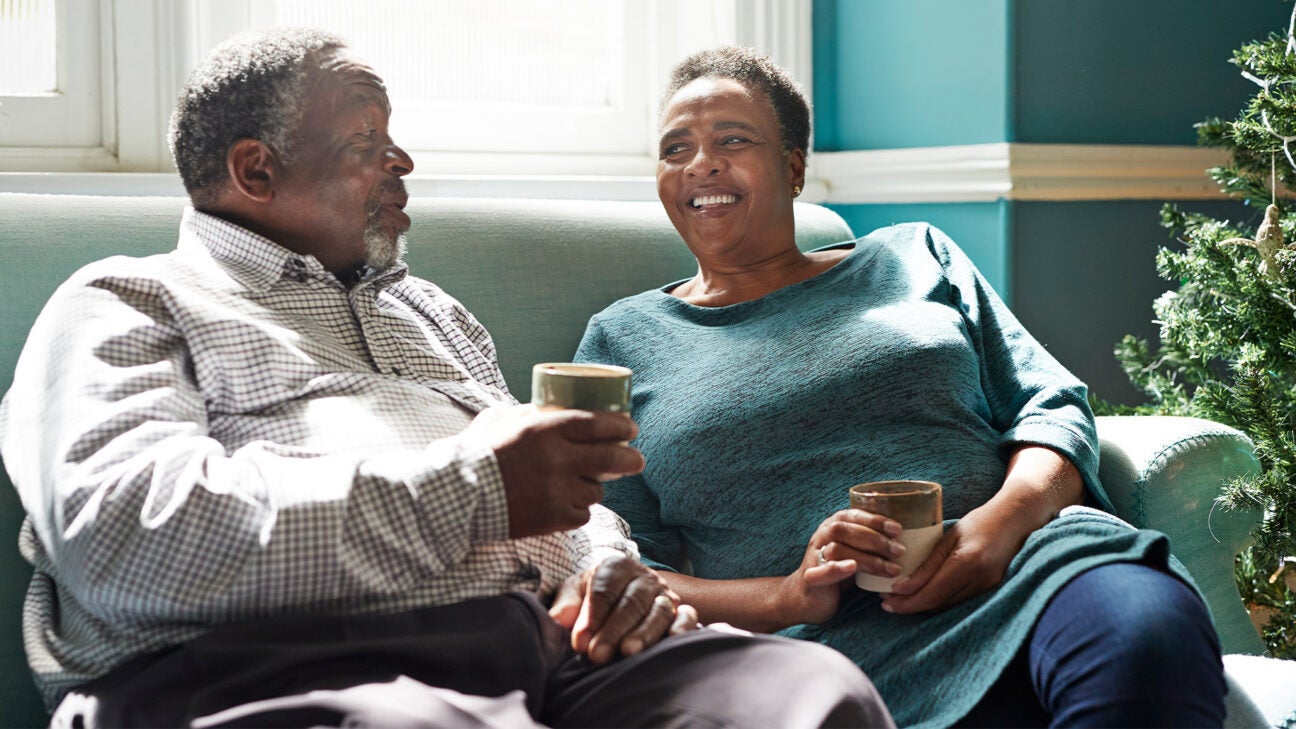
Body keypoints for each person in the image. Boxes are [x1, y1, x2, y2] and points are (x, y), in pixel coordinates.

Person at [0, 29, 895, 729]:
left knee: (808, 693)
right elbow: (122, 536)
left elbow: (560, 505)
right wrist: (473, 489)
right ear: (255, 170)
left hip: (548, 650)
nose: (403, 164)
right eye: (369, 143)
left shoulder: (426, 311)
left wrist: (612, 568)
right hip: (271, 667)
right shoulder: (127, 302)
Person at [575, 46, 1228, 728]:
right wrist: (789, 594)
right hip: (825, 651)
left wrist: (996, 531)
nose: (701, 163)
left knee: (1147, 636)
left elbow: (1051, 405)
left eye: (732, 140)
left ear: (793, 166)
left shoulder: (915, 256)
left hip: (1028, 570)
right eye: (676, 147)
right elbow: (614, 559)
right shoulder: (623, 340)